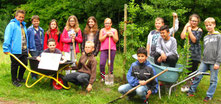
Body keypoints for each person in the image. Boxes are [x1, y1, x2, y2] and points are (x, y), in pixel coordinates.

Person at [187, 17, 221, 102]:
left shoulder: (218, 36)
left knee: (213, 80)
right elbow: (205, 49)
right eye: (206, 25)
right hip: (205, 61)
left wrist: (218, 62)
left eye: (210, 25)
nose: (208, 27)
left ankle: (209, 95)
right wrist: (202, 59)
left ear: (214, 25)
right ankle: (191, 91)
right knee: (197, 76)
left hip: (214, 62)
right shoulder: (206, 37)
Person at [3, 10, 28, 87]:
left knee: (25, 64)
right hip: (15, 49)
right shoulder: (12, 25)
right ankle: (14, 80)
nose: (21, 18)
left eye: (22, 17)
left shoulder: (23, 25)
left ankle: (20, 78)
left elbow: (25, 37)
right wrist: (5, 48)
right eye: (20, 17)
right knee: (15, 65)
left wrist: (28, 47)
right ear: (16, 16)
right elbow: (7, 37)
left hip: (23, 49)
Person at [180, 14, 203, 92]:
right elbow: (182, 37)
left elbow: (194, 40)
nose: (194, 22)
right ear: (189, 21)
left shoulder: (199, 30)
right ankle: (186, 84)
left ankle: (192, 87)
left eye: (195, 21)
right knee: (187, 69)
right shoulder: (187, 28)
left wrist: (189, 30)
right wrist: (185, 27)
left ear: (198, 22)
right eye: (192, 20)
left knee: (193, 70)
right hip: (187, 52)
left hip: (195, 53)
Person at [27, 15, 44, 79]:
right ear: (32, 22)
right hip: (33, 48)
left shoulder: (41, 29)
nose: (36, 22)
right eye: (34, 21)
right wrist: (28, 48)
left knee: (40, 61)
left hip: (40, 48)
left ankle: (39, 73)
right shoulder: (29, 29)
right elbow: (27, 39)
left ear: (39, 21)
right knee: (34, 62)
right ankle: (34, 75)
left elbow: (43, 38)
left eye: (37, 21)